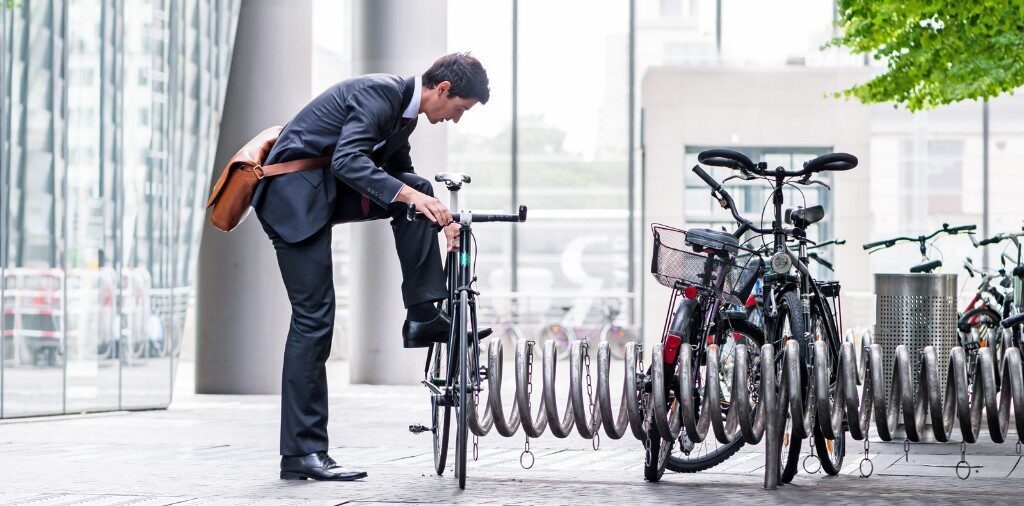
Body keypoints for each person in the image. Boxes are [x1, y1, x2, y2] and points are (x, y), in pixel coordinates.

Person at [252, 53, 490, 481]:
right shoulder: (380, 94)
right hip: (292, 200)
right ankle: (301, 453)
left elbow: (403, 179)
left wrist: (441, 218)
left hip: (322, 192)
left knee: (417, 191)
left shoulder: (405, 116)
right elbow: (347, 160)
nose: (456, 119)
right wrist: (414, 198)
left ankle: (422, 315)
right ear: (442, 89)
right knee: (313, 321)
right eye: (460, 109)